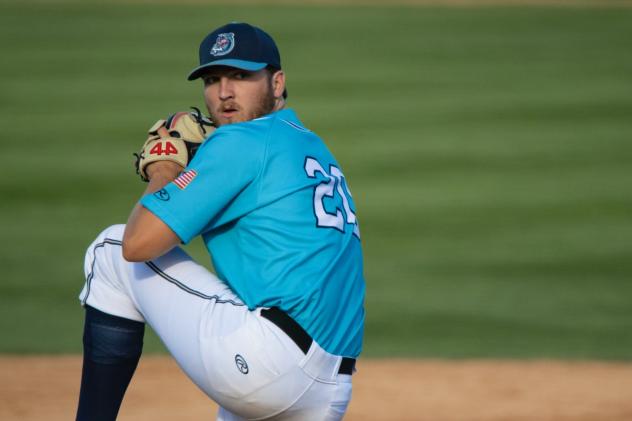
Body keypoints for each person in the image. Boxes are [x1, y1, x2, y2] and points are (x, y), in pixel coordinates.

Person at [76, 22, 365, 421]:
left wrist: (165, 168)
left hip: (270, 364)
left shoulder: (240, 141)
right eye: (213, 79)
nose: (224, 93)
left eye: (241, 76)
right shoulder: (309, 142)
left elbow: (137, 245)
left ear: (277, 82)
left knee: (110, 249)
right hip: (330, 389)